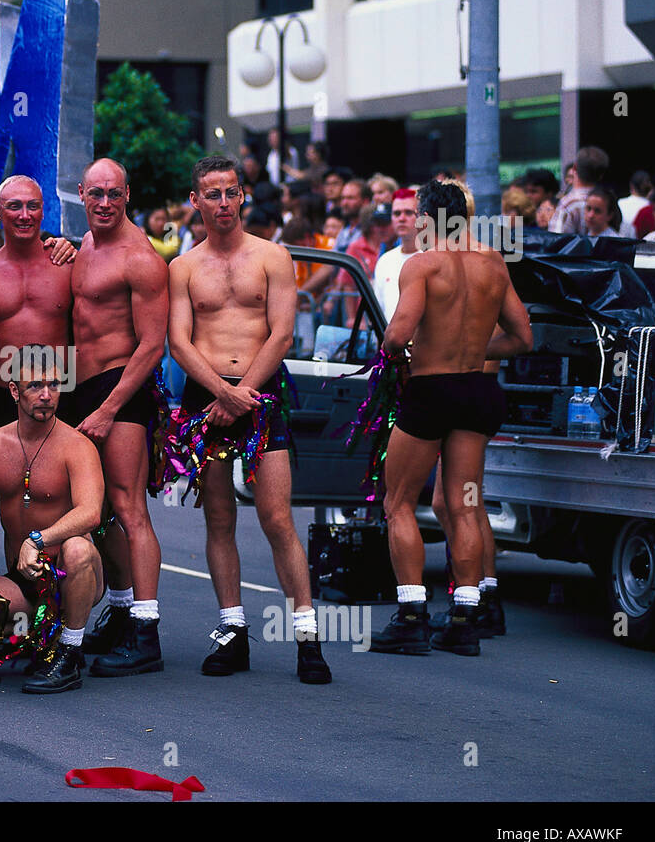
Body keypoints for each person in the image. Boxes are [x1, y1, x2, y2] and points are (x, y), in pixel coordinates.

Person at [166, 155, 331, 683]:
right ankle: (233, 632)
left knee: (278, 518)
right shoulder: (184, 267)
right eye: (211, 194)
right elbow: (178, 341)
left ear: (243, 196)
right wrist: (220, 393)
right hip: (207, 397)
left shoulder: (272, 256)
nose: (222, 203)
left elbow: (282, 334)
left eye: (230, 192)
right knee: (219, 517)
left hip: (261, 394)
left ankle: (307, 637)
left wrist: (244, 394)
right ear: (196, 201)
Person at [371, 180, 532, 657]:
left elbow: (397, 333)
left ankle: (412, 615)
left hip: (432, 392)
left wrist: (404, 354)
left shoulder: (421, 264)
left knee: (397, 502)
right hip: (478, 391)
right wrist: (473, 348)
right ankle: (465, 615)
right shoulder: (492, 263)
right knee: (463, 506)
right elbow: (523, 337)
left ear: (426, 216)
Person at [69, 158, 169, 676]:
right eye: (95, 194)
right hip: (82, 387)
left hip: (121, 390)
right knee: (99, 506)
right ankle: (124, 609)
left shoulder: (140, 257)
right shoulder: (83, 245)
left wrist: (109, 409)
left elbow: (153, 344)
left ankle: (147, 632)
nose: (104, 203)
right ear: (81, 194)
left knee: (130, 507)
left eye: (114, 194)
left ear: (127, 194)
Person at [0, 350, 105, 693]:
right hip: (22, 582)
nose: (46, 394)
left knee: (77, 547)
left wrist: (37, 540)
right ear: (14, 391)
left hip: (69, 574)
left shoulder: (78, 446)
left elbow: (90, 513)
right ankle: (33, 636)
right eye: (35, 386)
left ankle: (70, 651)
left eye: (54, 385)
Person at [0, 176, 74, 448]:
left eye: (32, 206)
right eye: (14, 206)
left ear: (43, 210)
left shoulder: (68, 265)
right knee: (1, 486)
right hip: (1, 397)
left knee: (57, 486)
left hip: (59, 396)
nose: (25, 215)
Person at [372, 188, 420, 320]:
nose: (402, 218)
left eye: (409, 213)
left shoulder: (433, 258)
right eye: (397, 213)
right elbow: (378, 311)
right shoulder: (384, 261)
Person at [550, 147, 608, 235]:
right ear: (601, 175)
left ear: (574, 168)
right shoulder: (607, 203)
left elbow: (556, 240)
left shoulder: (568, 203)